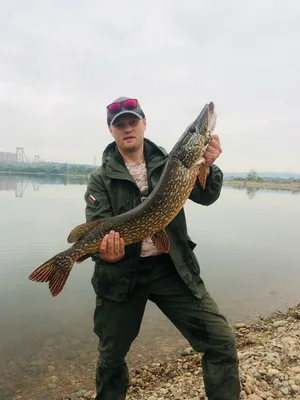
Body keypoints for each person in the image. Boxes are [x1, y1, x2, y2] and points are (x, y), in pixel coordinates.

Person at [84, 96, 240, 400]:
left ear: (144, 124)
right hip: (121, 276)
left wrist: (207, 165)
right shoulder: (100, 179)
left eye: (133, 122)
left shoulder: (174, 162)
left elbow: (206, 197)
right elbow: (96, 229)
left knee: (221, 342)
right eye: (120, 125)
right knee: (111, 358)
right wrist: (103, 252)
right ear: (111, 130)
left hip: (172, 269)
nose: (127, 129)